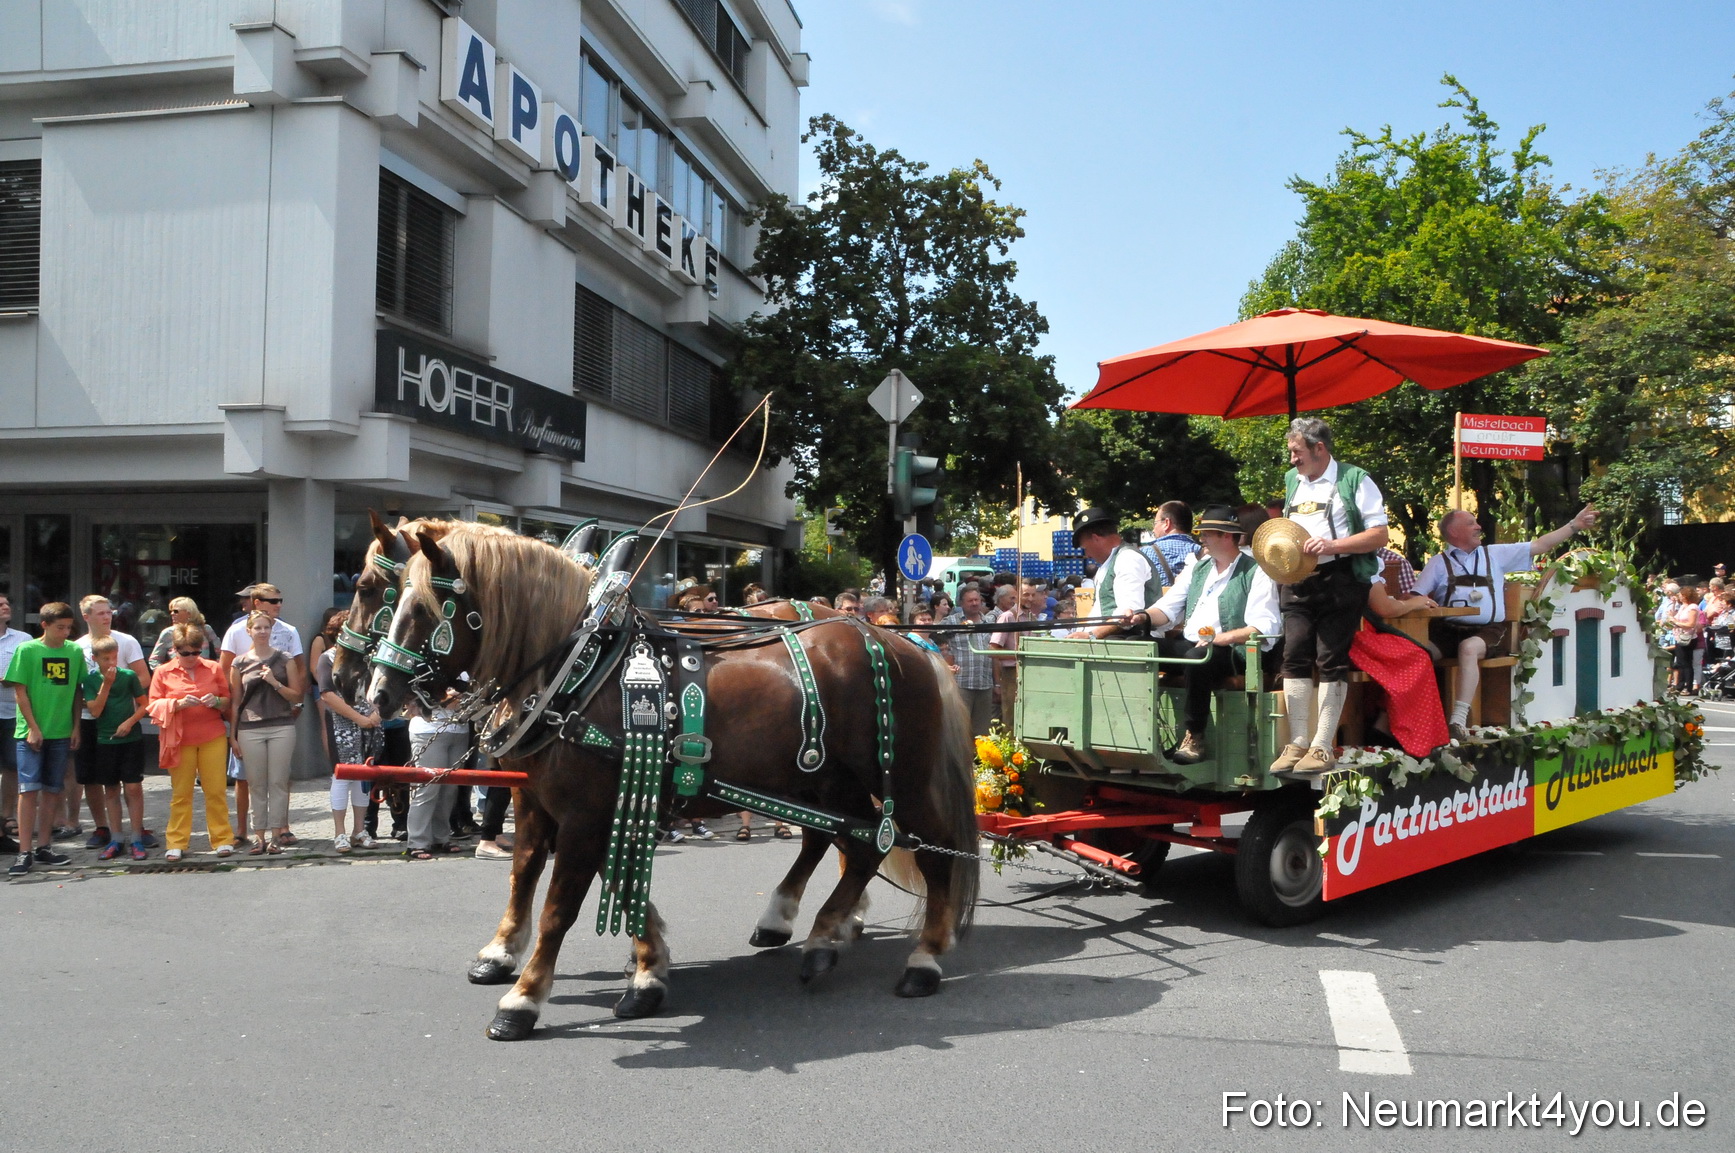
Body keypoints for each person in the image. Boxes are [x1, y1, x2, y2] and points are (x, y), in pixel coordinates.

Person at [1414, 504, 1597, 738]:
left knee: (1468, 648)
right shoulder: (1438, 563)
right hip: (1446, 629)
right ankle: (1415, 719)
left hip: (1488, 630)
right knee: (1417, 654)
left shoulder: (1495, 554)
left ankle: (1457, 720)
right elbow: (1416, 595)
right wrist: (1421, 602)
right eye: (1471, 523)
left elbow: (1540, 545)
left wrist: (1574, 525)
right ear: (1453, 532)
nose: (1479, 526)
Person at [1272, 417, 1390, 775]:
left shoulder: (1355, 479)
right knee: (1293, 655)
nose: (1292, 460)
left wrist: (1333, 544)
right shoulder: (1294, 480)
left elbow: (1380, 534)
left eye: (1297, 452)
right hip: (1297, 578)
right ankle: (1298, 742)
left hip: (1340, 578)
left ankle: (1323, 744)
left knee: (1330, 659)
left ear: (1319, 449)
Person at [1125, 506, 1281, 763]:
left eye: (1208, 533)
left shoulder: (1257, 571)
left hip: (1232, 651)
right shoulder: (1198, 568)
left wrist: (1221, 638)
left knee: (1198, 658)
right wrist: (1142, 616)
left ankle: (1195, 737)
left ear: (1228, 536)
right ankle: (1139, 726)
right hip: (1193, 643)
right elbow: (1167, 608)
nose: (1201, 539)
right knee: (1135, 645)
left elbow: (1265, 627)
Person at [219, 583, 305, 849]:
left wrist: (284, 694)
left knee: (278, 781)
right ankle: (254, 835)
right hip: (249, 726)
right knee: (252, 782)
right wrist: (231, 735)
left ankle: (279, 833)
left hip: (281, 722)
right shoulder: (238, 649)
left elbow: (298, 684)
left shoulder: (288, 640)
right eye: (272, 600)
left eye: (267, 628)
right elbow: (232, 694)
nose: (263, 631)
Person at [4, 604, 85, 875]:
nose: (65, 633)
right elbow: (20, 691)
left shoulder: (74, 652)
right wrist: (33, 727)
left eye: (68, 628)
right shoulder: (27, 650)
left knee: (53, 789)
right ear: (44, 626)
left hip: (61, 733)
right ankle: (23, 851)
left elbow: (76, 691)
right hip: (30, 734)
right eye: (59, 627)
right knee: (28, 790)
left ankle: (44, 846)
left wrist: (75, 727)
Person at [148, 623, 235, 860]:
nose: (191, 657)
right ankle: (176, 841)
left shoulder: (213, 667)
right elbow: (153, 706)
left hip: (212, 735)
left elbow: (227, 700)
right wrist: (176, 704)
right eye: (185, 653)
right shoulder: (163, 671)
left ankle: (222, 839)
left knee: (216, 790)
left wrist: (215, 701)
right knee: (181, 793)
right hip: (180, 739)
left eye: (195, 652)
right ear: (175, 650)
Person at [72, 595, 150, 849]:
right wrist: (86, 707)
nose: (107, 617)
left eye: (109, 612)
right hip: (88, 718)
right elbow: (76, 688)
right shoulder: (77, 647)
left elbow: (143, 678)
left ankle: (137, 829)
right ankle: (102, 828)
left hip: (121, 718)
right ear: (86, 617)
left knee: (130, 780)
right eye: (100, 613)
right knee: (93, 777)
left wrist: (120, 696)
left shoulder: (126, 641)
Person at [315, 646, 380, 853]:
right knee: (342, 777)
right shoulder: (328, 657)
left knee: (364, 776)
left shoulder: (371, 656)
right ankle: (339, 833)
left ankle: (359, 831)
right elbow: (327, 694)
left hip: (370, 723)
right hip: (341, 724)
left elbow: (381, 686)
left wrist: (376, 715)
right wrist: (360, 719)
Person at [1071, 509, 1160, 639]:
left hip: (1132, 640)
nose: (1087, 555)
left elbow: (1127, 614)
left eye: (1085, 548)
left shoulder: (1128, 559)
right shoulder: (1109, 563)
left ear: (1096, 538)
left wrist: (1090, 635)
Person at [404, 688, 469, 860]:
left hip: (459, 730)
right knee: (427, 788)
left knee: (449, 790)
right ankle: (417, 841)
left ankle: (441, 837)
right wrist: (449, 698)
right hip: (428, 729)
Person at [990, 580, 1049, 725]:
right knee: (1012, 717)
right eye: (1026, 594)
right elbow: (993, 650)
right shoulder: (1008, 617)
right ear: (1017, 595)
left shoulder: (1032, 618)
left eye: (1032, 595)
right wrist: (1019, 654)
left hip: (1032, 673)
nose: (1030, 598)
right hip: (1011, 673)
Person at [940, 586, 996, 736]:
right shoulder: (951, 622)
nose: (974, 603)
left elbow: (995, 653)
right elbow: (935, 643)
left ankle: (978, 759)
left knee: (982, 733)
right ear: (962, 604)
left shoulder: (989, 622)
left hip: (985, 684)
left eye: (977, 600)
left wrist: (997, 683)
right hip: (961, 684)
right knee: (959, 729)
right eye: (970, 600)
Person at [0, 593, 29, 854]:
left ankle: (7, 816)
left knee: (12, 766)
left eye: (7, 603)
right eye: (0, 605)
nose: (6, 607)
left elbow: (29, 674)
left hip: (13, 712)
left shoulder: (23, 640)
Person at [148, 597, 221, 671]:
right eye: (171, 611)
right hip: (178, 679)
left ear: (189, 613)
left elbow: (221, 653)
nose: (172, 614)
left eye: (176, 611)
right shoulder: (168, 633)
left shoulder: (206, 629)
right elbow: (154, 660)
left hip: (204, 677)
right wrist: (167, 675)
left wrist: (214, 671)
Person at [1140, 500, 1200, 588]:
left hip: (1158, 601)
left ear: (1166, 523)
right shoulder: (1202, 553)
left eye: (1155, 523)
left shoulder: (1145, 553)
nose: (1153, 529)